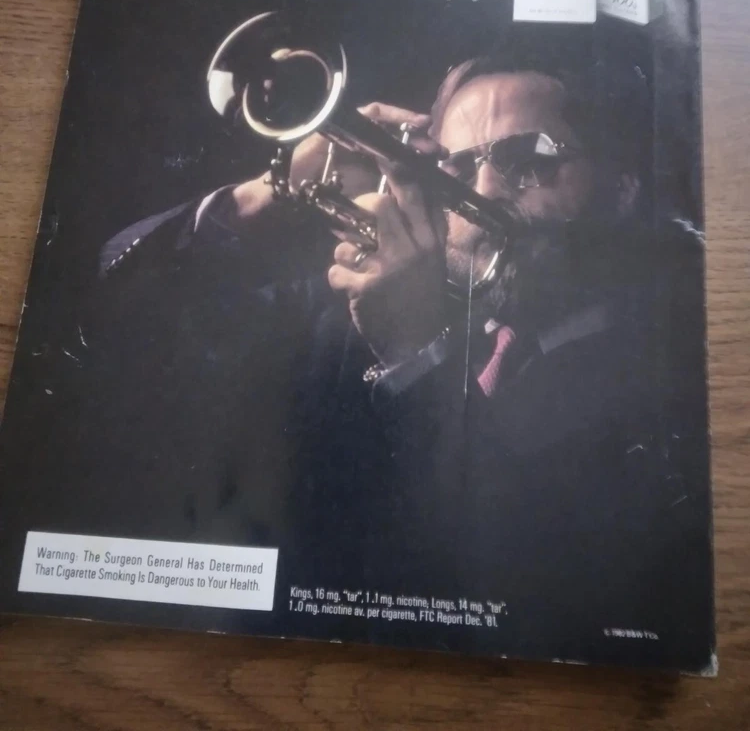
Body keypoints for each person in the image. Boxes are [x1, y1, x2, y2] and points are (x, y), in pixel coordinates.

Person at [91, 48, 712, 667]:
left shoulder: (677, 368)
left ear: (621, 188)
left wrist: (415, 353)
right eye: (457, 167)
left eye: (529, 160)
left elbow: (530, 591)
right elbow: (115, 312)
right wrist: (272, 193)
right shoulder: (335, 322)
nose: (483, 191)